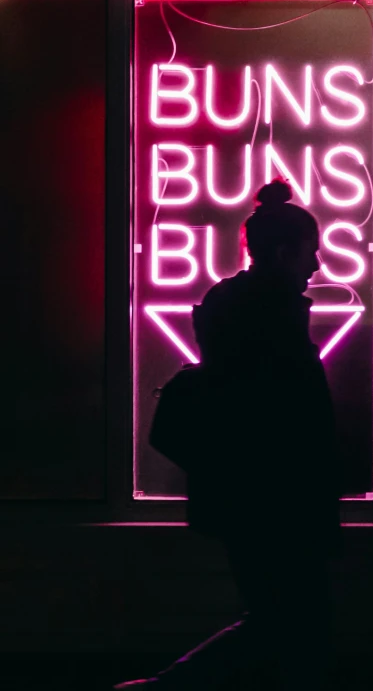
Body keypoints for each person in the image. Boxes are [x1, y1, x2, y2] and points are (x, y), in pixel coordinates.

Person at [115, 179, 343, 691]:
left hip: (246, 500)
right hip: (277, 501)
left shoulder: (235, 309)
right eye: (312, 251)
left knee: (279, 620)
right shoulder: (273, 321)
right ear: (285, 253)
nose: (319, 264)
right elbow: (291, 427)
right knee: (290, 623)